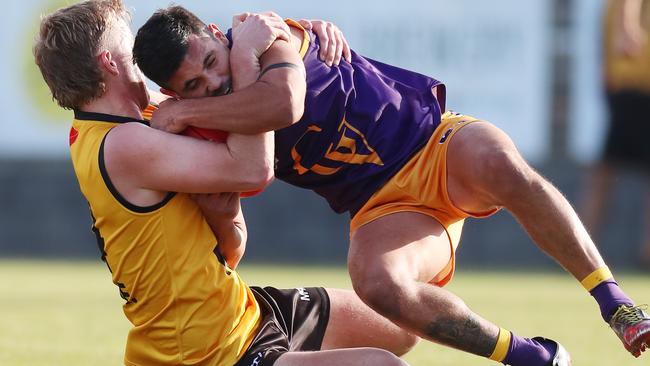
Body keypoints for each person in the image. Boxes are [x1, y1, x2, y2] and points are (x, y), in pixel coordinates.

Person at [133, 5, 650, 365]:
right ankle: (529, 356)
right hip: (384, 205)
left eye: (209, 61)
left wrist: (195, 104)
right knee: (376, 282)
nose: (213, 80)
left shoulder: (264, 37)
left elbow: (281, 105)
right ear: (169, 91)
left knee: (502, 165)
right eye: (193, 85)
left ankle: (615, 303)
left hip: (435, 144)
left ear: (212, 30)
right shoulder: (201, 113)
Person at [34, 1, 419, 365]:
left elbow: (228, 254)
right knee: (381, 364)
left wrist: (301, 42)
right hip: (204, 351)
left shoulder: (143, 117)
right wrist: (247, 58)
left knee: (402, 326)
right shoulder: (122, 144)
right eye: (127, 42)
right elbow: (253, 170)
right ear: (109, 62)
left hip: (236, 311)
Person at [581, 0, 650, 270]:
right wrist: (628, 27)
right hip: (635, 80)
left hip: (629, 79)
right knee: (606, 171)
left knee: (606, 171)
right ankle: (583, 244)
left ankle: (583, 243)